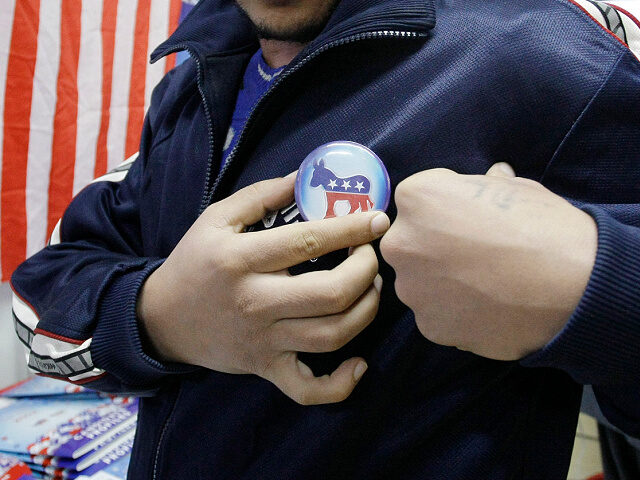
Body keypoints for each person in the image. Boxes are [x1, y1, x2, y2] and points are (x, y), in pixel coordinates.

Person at [10, 0, 640, 478]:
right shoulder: (189, 88)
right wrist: (161, 316)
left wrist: (592, 285)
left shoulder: (541, 53)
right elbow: (46, 287)